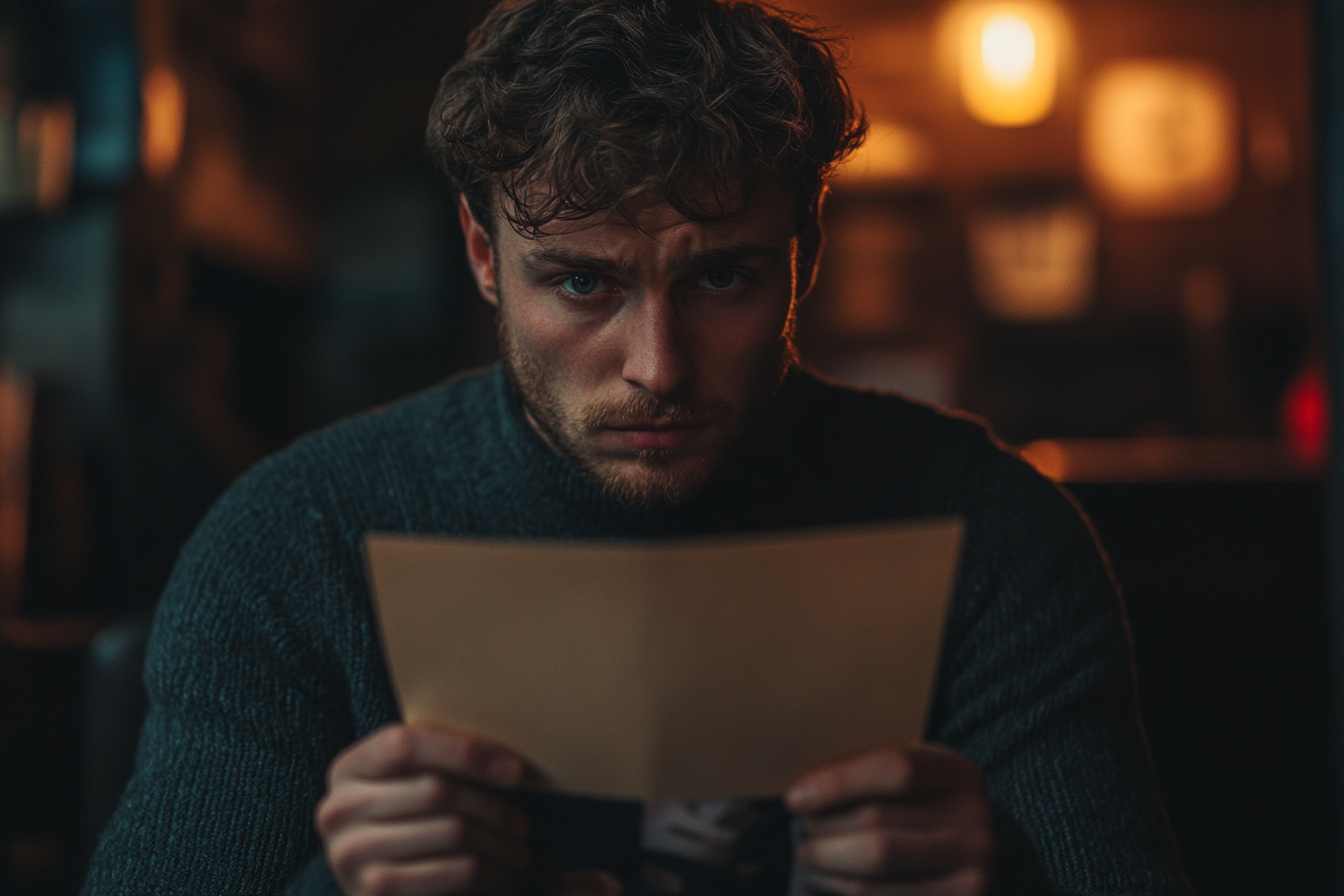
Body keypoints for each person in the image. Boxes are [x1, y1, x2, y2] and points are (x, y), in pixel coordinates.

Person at [83, 1, 1187, 894]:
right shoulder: (295, 542)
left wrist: (1007, 878)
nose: (658, 364)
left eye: (720, 278)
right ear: (482, 252)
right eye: (581, 282)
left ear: (802, 252)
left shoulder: (988, 534)